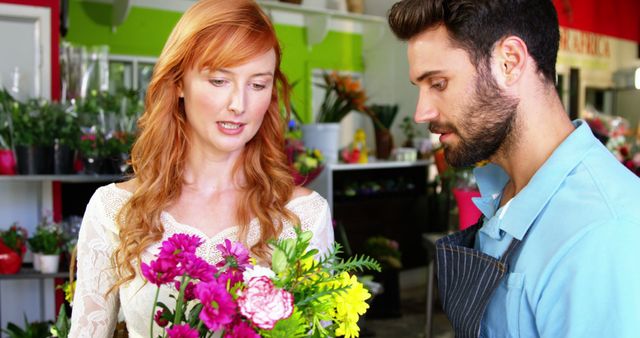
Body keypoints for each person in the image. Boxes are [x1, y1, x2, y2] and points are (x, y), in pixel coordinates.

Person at [69, 1, 334, 337]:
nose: (239, 104)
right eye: (219, 80)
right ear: (179, 83)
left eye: (258, 84)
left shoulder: (302, 216)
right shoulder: (114, 210)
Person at [388, 1, 640, 337]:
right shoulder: (505, 187)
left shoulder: (604, 234)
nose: (421, 112)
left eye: (438, 83)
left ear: (510, 62)